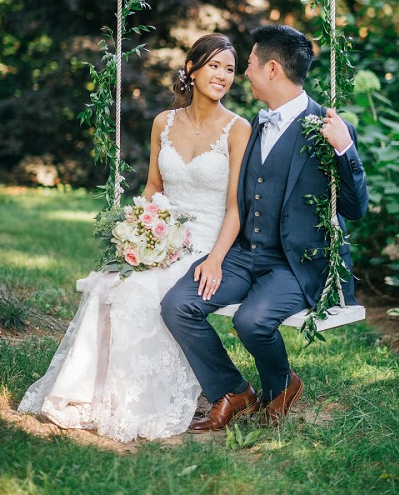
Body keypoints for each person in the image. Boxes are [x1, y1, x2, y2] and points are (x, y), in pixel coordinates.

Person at [18, 34, 252, 442]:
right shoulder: (164, 122)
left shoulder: (237, 129)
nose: (222, 76)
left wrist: (215, 259)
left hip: (205, 244)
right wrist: (137, 233)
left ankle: (141, 402)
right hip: (163, 234)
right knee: (109, 284)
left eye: (230, 69)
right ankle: (90, 394)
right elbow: (152, 188)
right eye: (214, 65)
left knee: (139, 296)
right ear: (192, 68)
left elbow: (236, 207)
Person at [161, 24, 369, 432]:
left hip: (295, 264)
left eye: (250, 63)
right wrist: (217, 257)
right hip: (244, 254)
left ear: (272, 68)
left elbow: (356, 207)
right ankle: (232, 391)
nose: (244, 72)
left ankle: (280, 387)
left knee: (251, 321)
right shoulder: (250, 126)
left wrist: (344, 148)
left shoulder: (327, 128)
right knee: (178, 305)